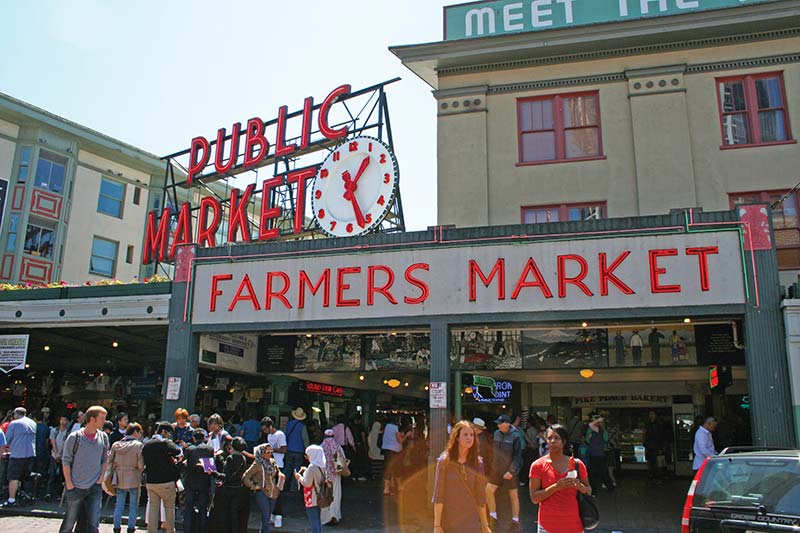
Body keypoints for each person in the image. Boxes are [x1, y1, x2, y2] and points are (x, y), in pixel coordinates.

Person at [530, 424, 592, 533]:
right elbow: (534, 498)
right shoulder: (538, 466)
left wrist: (578, 486)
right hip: (547, 525)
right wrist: (556, 487)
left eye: (557, 438)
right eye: (550, 438)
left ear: (564, 441)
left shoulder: (577, 464)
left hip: (574, 525)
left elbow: (588, 491)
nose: (553, 441)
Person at [432, 420, 491, 533]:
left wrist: (485, 525)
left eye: (472, 435)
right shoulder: (444, 461)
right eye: (465, 434)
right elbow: (439, 495)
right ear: (457, 438)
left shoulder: (478, 463)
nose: (469, 438)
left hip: (471, 521)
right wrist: (437, 525)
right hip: (449, 520)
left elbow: (480, 496)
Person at [58, 406, 109, 533]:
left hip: (95, 487)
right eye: (102, 418)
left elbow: (104, 459)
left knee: (93, 524)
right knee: (68, 524)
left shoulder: (103, 437)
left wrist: (101, 478)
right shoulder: (75, 437)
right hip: (76, 486)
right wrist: (69, 484)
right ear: (92, 419)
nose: (104, 421)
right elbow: (66, 461)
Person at [142, 421, 183, 533]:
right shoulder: (165, 442)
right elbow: (178, 451)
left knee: (153, 507)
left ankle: (151, 530)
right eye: (168, 433)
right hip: (166, 480)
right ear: (164, 431)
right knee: (169, 507)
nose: (169, 435)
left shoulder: (146, 444)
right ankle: (170, 530)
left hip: (151, 481)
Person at [486, 414, 523, 531]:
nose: (498, 425)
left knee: (513, 496)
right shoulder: (496, 433)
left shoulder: (515, 436)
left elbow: (518, 457)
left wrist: (511, 471)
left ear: (507, 424)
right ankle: (493, 516)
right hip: (496, 470)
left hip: (509, 472)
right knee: (488, 490)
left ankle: (515, 521)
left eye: (500, 423)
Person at [107, 422, 144, 533]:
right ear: (136, 432)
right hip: (134, 477)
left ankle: (116, 528)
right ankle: (130, 528)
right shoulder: (138, 445)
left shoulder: (116, 445)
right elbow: (141, 465)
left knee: (119, 505)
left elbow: (110, 461)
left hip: (118, 477)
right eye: (140, 432)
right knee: (133, 506)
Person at [243, 443, 286, 533]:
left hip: (273, 492)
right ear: (262, 453)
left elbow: (277, 472)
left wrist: (281, 475)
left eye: (271, 451)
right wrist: (253, 486)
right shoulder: (257, 464)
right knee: (265, 514)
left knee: (268, 515)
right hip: (261, 492)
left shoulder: (273, 462)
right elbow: (245, 477)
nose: (270, 453)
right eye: (267, 452)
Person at [211, 437, 251, 533]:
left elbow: (226, 476)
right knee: (236, 516)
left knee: (228, 516)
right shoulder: (243, 458)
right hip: (239, 490)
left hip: (229, 491)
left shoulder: (231, 458)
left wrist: (212, 472)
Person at [3, 407, 37, 508]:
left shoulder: (14, 423)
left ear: (15, 414)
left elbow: (7, 439)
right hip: (31, 453)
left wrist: (5, 450)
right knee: (27, 477)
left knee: (13, 477)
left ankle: (11, 499)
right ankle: (26, 497)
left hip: (17, 454)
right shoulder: (33, 423)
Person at [183, 428, 215, 533]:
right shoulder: (209, 449)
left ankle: (187, 529)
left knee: (188, 508)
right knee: (203, 508)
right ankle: (202, 529)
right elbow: (210, 468)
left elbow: (186, 465)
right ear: (204, 438)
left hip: (190, 481)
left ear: (193, 438)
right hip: (204, 481)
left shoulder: (189, 449)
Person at [294, 444, 327, 533]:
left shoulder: (312, 467)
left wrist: (299, 477)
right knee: (318, 519)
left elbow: (307, 483)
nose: (306, 457)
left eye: (307, 455)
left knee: (313, 521)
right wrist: (306, 471)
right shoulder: (322, 465)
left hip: (312, 497)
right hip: (320, 495)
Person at [261, 417, 287, 528]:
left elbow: (284, 449)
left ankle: (278, 516)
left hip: (279, 466)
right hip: (269, 465)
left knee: (277, 491)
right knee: (269, 490)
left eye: (265, 429)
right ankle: (272, 514)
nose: (264, 432)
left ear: (270, 426)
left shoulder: (280, 435)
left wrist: (271, 450)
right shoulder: (269, 436)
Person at [584, 415, 614, 493]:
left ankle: (595, 490)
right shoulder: (598, 430)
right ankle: (609, 488)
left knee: (595, 473)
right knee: (603, 472)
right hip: (599, 454)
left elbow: (587, 440)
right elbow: (606, 439)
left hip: (596, 454)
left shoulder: (597, 430)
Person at [321, 429, 345, 525]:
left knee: (325, 495)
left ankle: (325, 517)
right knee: (336, 495)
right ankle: (334, 515)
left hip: (324, 476)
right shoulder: (337, 447)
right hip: (336, 475)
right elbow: (343, 460)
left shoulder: (321, 447)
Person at [283, 408, 310, 491]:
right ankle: (294, 489)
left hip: (289, 450)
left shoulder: (288, 424)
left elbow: (284, 436)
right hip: (299, 452)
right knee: (297, 470)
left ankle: (281, 485)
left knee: (287, 468)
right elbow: (305, 440)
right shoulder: (302, 427)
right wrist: (308, 451)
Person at [45, 415, 70, 500]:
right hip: (54, 455)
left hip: (63, 456)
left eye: (65, 420)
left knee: (61, 476)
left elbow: (65, 443)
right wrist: (56, 454)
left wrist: (60, 453)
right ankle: (48, 493)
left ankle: (59, 494)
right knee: (51, 474)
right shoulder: (54, 430)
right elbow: (53, 442)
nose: (63, 422)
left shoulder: (68, 432)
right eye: (61, 420)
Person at [381, 414, 406, 496]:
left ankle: (386, 489)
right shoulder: (396, 428)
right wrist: (407, 435)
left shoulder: (387, 426)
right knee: (397, 468)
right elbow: (400, 440)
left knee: (388, 468)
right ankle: (399, 486)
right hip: (395, 450)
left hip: (386, 449)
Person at [643, 411, 666, 483]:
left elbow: (660, 436)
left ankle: (657, 477)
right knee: (652, 463)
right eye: (650, 414)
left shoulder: (658, 425)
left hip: (655, 447)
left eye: (652, 414)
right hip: (651, 447)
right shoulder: (648, 425)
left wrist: (660, 447)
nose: (651, 416)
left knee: (657, 463)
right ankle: (654, 477)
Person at [348, 414, 369, 481]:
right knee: (361, 460)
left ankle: (353, 475)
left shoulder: (350, 427)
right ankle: (360, 475)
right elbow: (363, 436)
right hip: (360, 445)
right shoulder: (361, 427)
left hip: (352, 445)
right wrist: (365, 445)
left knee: (354, 461)